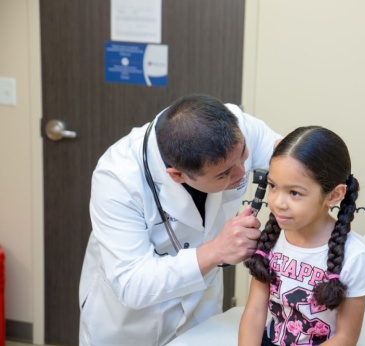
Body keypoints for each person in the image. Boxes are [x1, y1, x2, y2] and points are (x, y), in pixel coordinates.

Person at [78, 94, 282, 345]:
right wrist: (217, 251)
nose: (242, 174)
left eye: (243, 155)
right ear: (177, 175)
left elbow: (295, 159)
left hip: (200, 307)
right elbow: (131, 283)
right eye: (225, 174)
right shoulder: (118, 178)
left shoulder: (234, 126)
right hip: (132, 321)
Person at [239, 126, 365, 346]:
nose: (277, 202)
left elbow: (346, 338)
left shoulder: (357, 256)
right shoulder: (270, 239)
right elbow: (255, 312)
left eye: (295, 193)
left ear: (334, 195)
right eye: (273, 186)